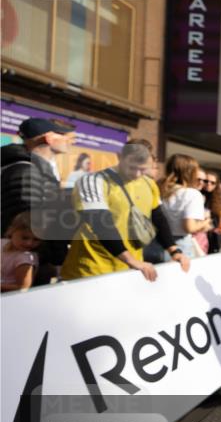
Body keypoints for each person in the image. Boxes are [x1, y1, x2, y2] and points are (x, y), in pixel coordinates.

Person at [61, 141, 191, 282]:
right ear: (120, 157)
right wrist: (131, 261)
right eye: (132, 167)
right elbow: (100, 223)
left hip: (130, 269)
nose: (136, 174)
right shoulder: (93, 181)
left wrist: (174, 251)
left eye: (143, 169)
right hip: (91, 267)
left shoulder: (149, 184)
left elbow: (158, 218)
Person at [1, 117, 76, 284]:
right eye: (63, 135)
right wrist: (51, 256)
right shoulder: (26, 171)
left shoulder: (37, 170)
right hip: (23, 267)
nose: (69, 140)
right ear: (49, 138)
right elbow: (24, 224)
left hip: (31, 261)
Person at [158, 154, 213, 259]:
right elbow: (189, 227)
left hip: (156, 242)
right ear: (191, 172)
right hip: (180, 245)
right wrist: (205, 222)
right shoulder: (192, 194)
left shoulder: (158, 189)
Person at [1, 212, 41, 292]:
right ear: (11, 231)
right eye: (24, 238)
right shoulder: (2, 242)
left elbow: (23, 288)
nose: (29, 243)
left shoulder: (25, 259)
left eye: (36, 239)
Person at [202, 171, 221, 253]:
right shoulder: (198, 195)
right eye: (206, 181)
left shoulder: (218, 197)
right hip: (200, 233)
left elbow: (219, 216)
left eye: (212, 183)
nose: (209, 184)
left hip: (213, 235)